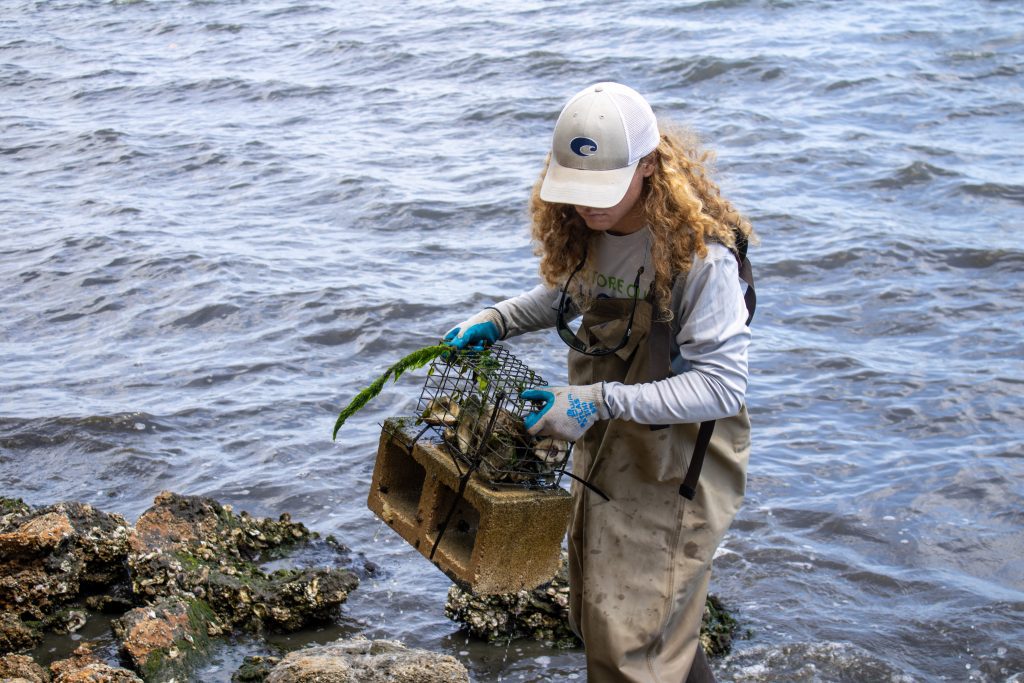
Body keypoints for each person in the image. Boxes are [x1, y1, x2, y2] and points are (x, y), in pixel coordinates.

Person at [443, 82, 754, 683]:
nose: (586, 207)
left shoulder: (701, 259)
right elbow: (577, 290)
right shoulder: (593, 227)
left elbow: (721, 387)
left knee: (629, 629)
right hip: (611, 447)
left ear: (647, 168)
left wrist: (594, 400)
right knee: (615, 611)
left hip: (678, 464)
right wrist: (499, 318)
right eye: (575, 191)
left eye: (601, 191)